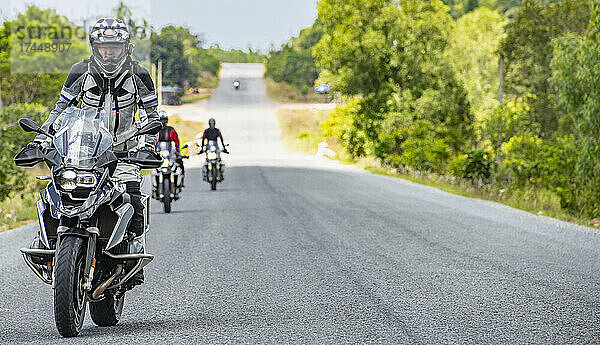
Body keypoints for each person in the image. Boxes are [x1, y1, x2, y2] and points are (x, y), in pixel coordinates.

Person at [28, 18, 160, 285]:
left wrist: (147, 146)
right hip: (83, 149)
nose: (108, 52)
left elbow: (151, 115)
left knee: (132, 198)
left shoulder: (140, 74)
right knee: (56, 192)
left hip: (124, 149)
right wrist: (42, 140)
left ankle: (131, 257)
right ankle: (48, 246)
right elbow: (60, 110)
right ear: (94, 47)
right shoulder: (80, 72)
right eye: (103, 46)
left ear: (125, 47)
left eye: (114, 46)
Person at [157, 110, 185, 187]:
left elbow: (176, 141)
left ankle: (182, 180)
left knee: (180, 162)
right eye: (161, 120)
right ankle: (155, 186)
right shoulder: (155, 130)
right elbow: (152, 142)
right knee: (154, 168)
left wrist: (177, 150)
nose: (163, 122)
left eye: (164, 119)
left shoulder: (171, 130)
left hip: (169, 153)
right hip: (159, 153)